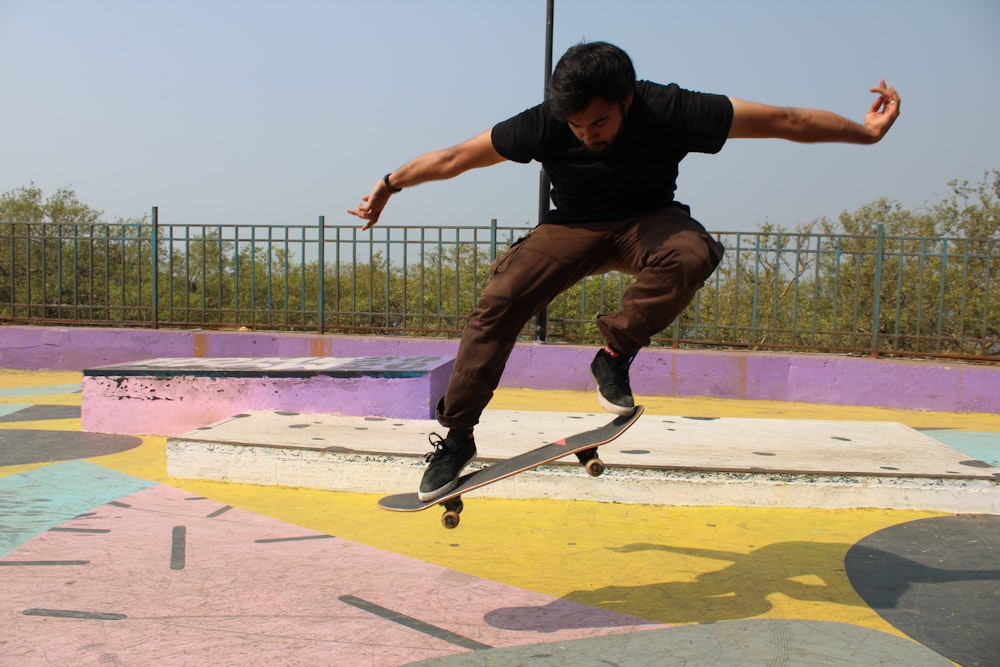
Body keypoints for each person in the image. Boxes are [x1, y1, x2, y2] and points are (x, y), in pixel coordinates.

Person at [348, 41, 900, 502]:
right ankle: (459, 435)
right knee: (501, 300)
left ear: (628, 100)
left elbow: (787, 121)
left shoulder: (673, 108)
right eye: (577, 126)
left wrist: (866, 133)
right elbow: (454, 157)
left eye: (599, 122)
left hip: (648, 221)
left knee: (691, 252)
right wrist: (390, 183)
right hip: (574, 227)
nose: (587, 134)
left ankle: (613, 355)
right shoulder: (542, 125)